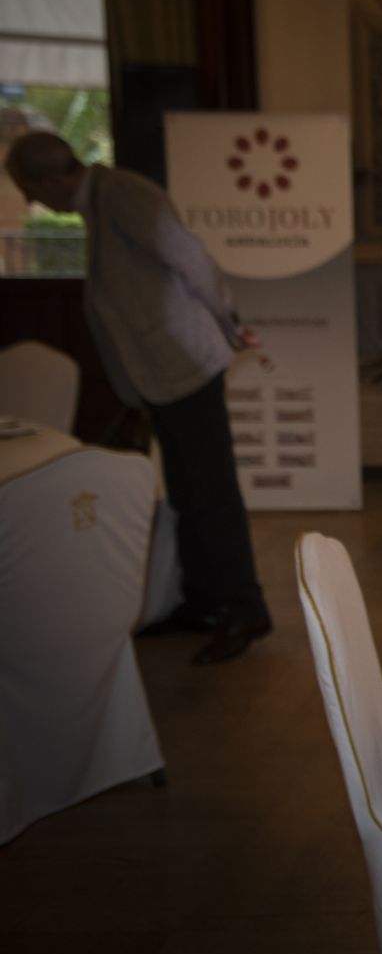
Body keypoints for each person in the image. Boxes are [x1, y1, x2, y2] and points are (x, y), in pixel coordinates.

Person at [4, 132, 271, 664]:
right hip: (161, 374)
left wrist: (228, 324)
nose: (36, 204)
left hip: (185, 366)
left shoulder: (122, 192)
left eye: (31, 190)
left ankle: (245, 609)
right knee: (188, 491)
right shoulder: (99, 200)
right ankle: (201, 601)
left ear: (53, 176)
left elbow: (191, 259)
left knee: (211, 490)